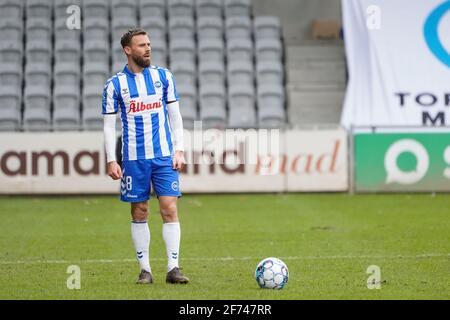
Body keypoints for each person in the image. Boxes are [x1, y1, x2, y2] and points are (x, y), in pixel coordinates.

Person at [102, 28, 189, 284]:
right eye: (141, 45)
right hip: (133, 159)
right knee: (139, 211)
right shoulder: (114, 84)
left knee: (169, 208)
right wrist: (110, 159)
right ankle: (145, 270)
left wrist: (179, 148)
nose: (147, 48)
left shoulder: (164, 77)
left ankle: (173, 269)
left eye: (149, 44)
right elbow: (109, 125)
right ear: (128, 50)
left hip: (164, 156)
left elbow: (175, 116)